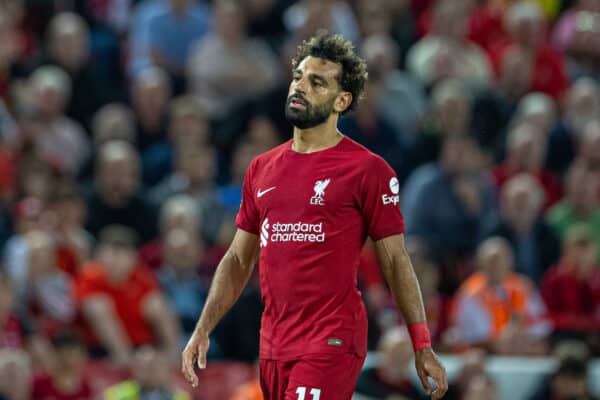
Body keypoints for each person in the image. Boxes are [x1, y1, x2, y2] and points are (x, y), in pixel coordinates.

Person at [181, 32, 448, 400]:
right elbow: (239, 258)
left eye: (317, 82)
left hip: (331, 339)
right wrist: (203, 328)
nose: (301, 86)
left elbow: (396, 261)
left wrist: (421, 344)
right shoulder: (261, 168)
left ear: (342, 100)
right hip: (274, 343)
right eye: (299, 77)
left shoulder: (367, 170)